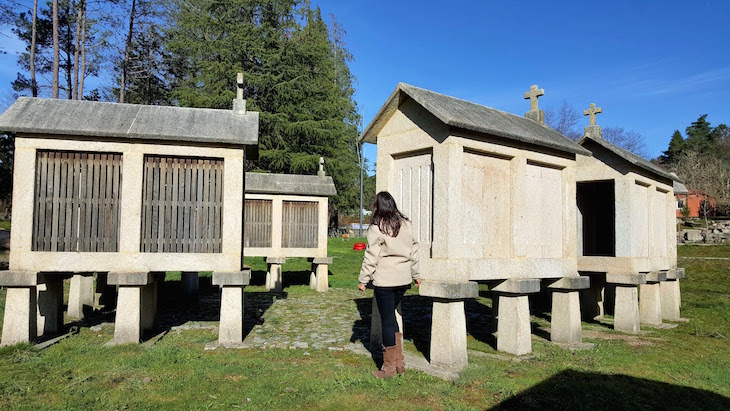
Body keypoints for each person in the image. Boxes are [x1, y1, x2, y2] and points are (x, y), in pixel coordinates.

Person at [358, 191, 421, 379]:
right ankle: (399, 363)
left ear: (377, 206)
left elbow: (371, 255)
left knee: (387, 321)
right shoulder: (406, 224)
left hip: (385, 280)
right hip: (403, 280)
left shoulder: (377, 227)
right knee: (392, 319)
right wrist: (417, 275)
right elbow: (415, 251)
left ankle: (388, 369)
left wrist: (363, 280)